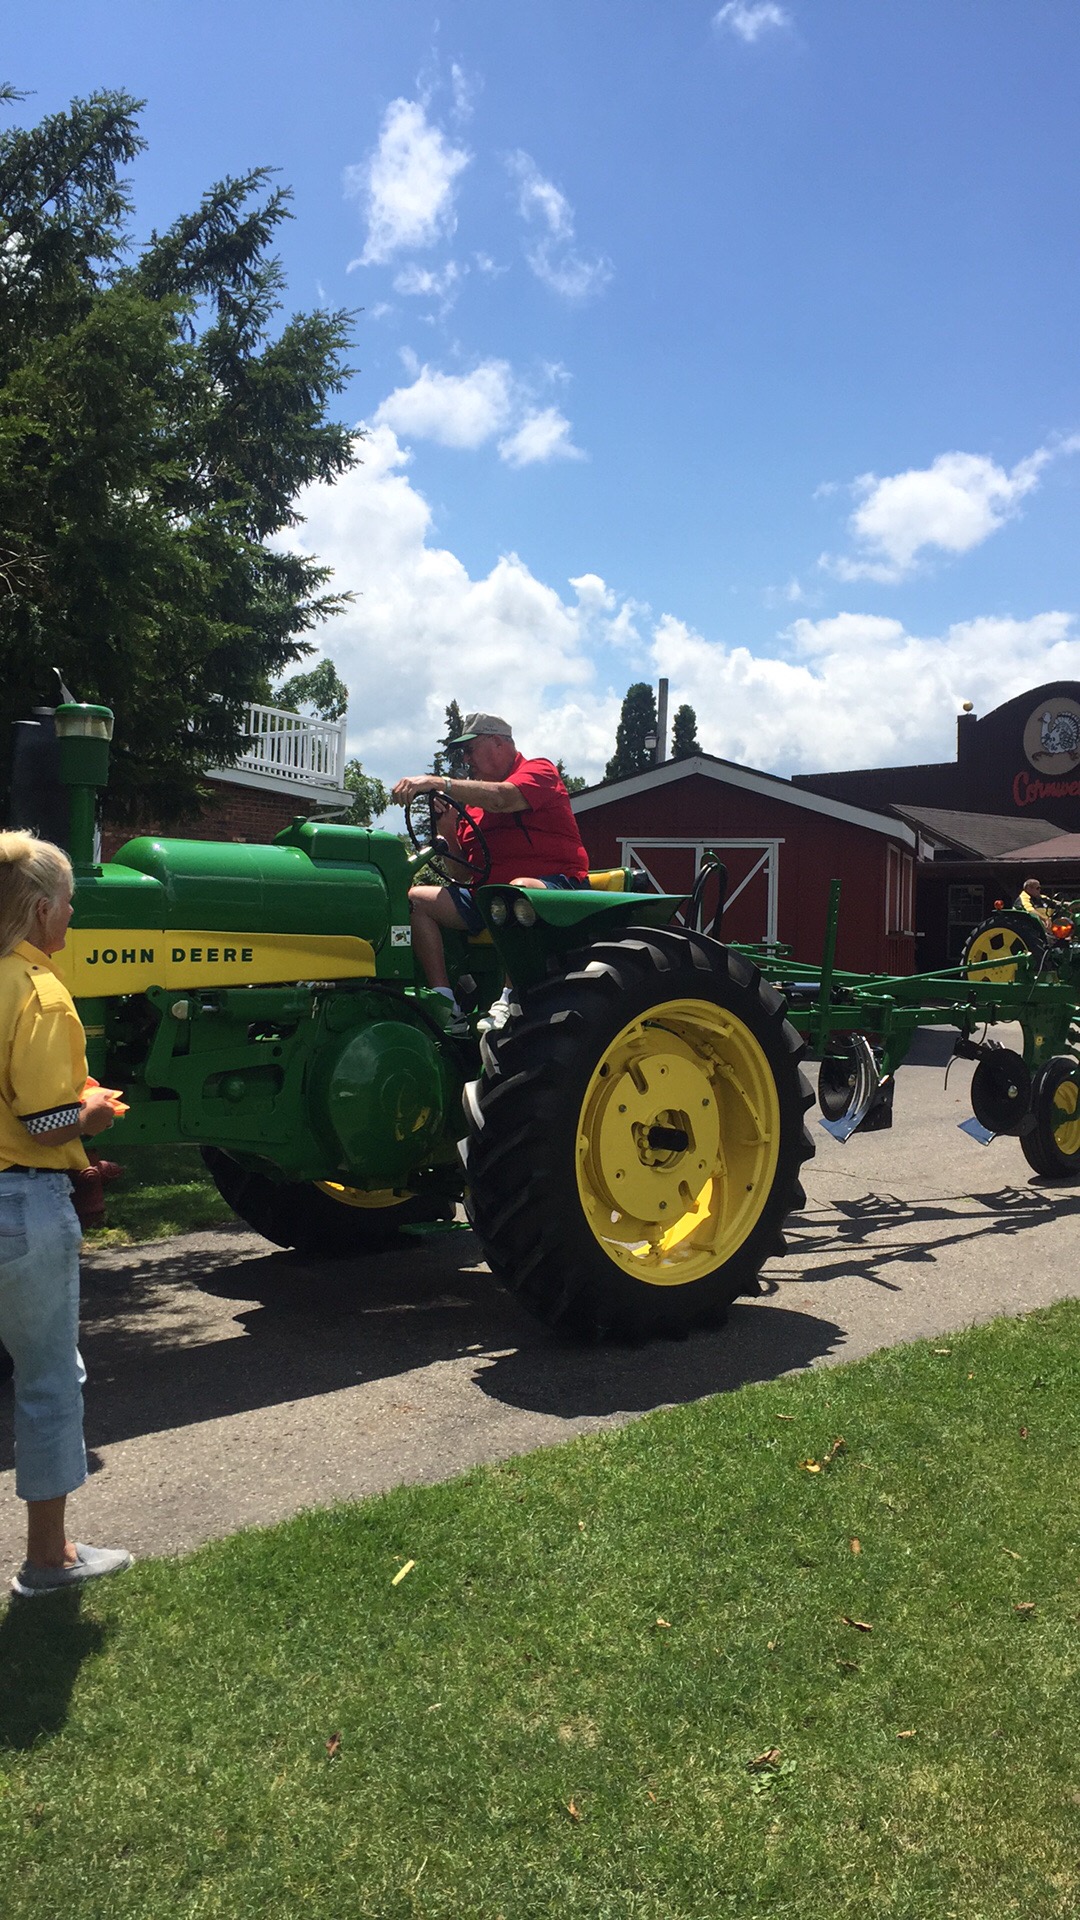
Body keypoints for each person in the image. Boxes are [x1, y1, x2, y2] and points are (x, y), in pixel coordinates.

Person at [0, 831, 132, 1597]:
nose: (73, 919)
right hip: (20, 1206)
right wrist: (91, 1112)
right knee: (49, 1377)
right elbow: (46, 1119)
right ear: (44, 909)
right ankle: (49, 1559)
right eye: (71, 905)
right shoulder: (39, 990)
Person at [391, 713, 589, 1032]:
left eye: (470, 750)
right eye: (463, 754)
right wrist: (448, 830)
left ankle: (511, 997)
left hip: (556, 890)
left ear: (498, 742)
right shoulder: (472, 809)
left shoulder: (539, 770)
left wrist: (438, 782)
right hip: (490, 898)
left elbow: (501, 798)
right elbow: (462, 872)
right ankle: (445, 1003)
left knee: (517, 889)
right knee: (415, 899)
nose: (466, 759)